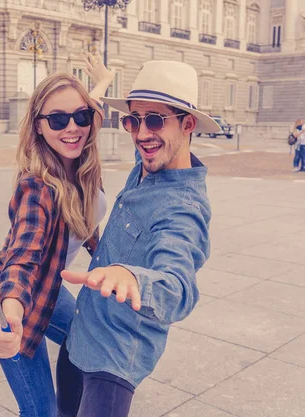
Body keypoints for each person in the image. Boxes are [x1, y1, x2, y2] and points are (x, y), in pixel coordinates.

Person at [56, 61, 219, 417]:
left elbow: (178, 288)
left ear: (188, 124)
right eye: (133, 120)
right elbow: (85, 126)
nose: (141, 133)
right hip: (80, 337)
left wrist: (132, 277)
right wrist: (101, 86)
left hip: (111, 365)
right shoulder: (151, 160)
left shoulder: (183, 209)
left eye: (156, 120)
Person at [0, 53, 114, 417]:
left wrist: (102, 82)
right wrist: (12, 315)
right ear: (39, 126)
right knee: (41, 411)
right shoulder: (36, 188)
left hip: (50, 288)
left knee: (83, 337)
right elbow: (23, 256)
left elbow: (92, 110)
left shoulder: (81, 156)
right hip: (13, 298)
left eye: (80, 117)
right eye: (57, 119)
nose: (72, 128)